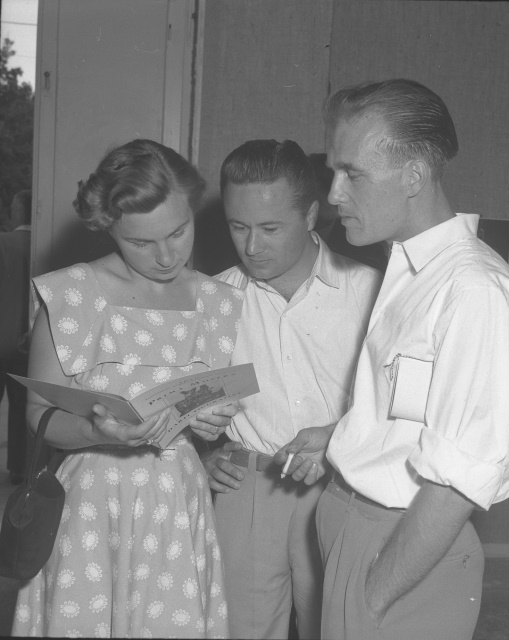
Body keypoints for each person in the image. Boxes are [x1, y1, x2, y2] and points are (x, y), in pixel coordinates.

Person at [275, 79, 509, 640]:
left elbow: (458, 481)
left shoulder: (472, 290)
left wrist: (373, 596)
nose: (334, 194)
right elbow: (421, 408)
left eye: (352, 173)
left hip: (401, 550)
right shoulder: (413, 270)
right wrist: (341, 435)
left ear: (413, 176)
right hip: (357, 527)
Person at [12, 139, 242, 638]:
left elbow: (211, 408)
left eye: (179, 231)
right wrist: (99, 433)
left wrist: (212, 424)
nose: (166, 255)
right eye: (141, 242)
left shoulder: (220, 302)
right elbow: (38, 414)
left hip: (178, 501)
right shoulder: (69, 294)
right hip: (93, 502)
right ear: (107, 226)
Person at [200, 139, 382, 639]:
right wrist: (200, 454)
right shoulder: (211, 298)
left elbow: (400, 407)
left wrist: (338, 438)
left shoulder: (373, 293)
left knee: (338, 628)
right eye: (238, 227)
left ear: (311, 216)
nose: (251, 247)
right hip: (247, 490)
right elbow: (185, 399)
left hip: (343, 486)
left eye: (270, 228)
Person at [308, 153, 388, 273]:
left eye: (329, 184)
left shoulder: (367, 247)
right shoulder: (290, 234)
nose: (333, 197)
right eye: (324, 184)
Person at [0, 189, 32, 484]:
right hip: (28, 344)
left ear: (20, 209)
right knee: (23, 409)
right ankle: (19, 469)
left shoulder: (3, 243)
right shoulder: (42, 243)